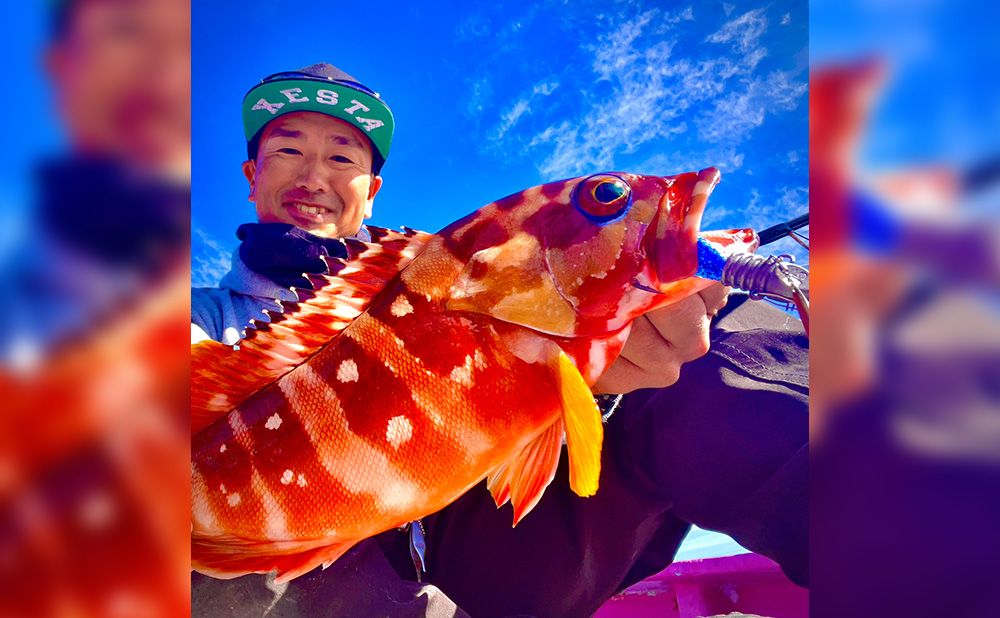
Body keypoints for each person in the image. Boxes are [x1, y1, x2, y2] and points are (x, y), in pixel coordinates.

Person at [191, 63, 807, 617]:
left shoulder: (437, 271)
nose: (313, 176)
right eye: (288, 151)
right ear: (251, 175)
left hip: (481, 554)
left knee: (724, 333)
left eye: (342, 158)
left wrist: (604, 384)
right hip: (311, 563)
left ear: (371, 189)